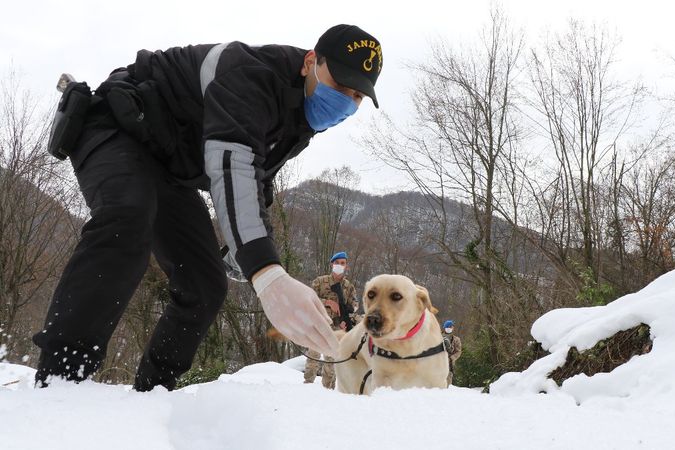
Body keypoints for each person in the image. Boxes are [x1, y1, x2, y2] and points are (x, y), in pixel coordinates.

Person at [33, 25, 383, 391]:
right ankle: (62, 375)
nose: (347, 101)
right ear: (311, 61)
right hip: (118, 126)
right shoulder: (248, 74)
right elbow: (232, 164)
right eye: (341, 85)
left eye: (358, 95)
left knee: (205, 283)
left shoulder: (301, 118)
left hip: (168, 170)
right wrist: (266, 273)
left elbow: (258, 181)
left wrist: (249, 249)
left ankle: (154, 392)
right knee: (127, 217)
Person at [303, 251, 358, 389]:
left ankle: (328, 390)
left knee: (332, 359)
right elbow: (308, 299)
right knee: (313, 356)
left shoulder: (349, 286)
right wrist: (327, 302)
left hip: (337, 327)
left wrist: (348, 316)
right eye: (337, 263)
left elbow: (355, 305)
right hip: (318, 323)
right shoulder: (320, 281)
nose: (339, 265)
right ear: (332, 264)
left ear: (347, 266)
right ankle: (306, 387)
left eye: (342, 263)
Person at [442, 320, 462, 386]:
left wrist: (451, 358)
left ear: (453, 328)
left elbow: (458, 352)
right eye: (447, 327)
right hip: (438, 362)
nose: (449, 328)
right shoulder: (438, 336)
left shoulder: (456, 339)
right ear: (444, 327)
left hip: (449, 364)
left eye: (451, 327)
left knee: (448, 382)